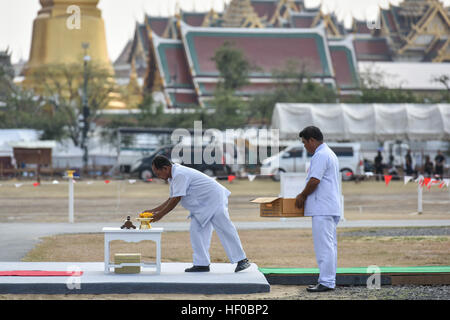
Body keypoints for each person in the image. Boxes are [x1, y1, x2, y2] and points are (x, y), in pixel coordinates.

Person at [142, 155, 250, 273]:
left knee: (225, 229)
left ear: (165, 168)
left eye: (158, 173)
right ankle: (202, 264)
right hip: (202, 206)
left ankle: (242, 260)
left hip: (214, 199)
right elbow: (171, 199)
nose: (157, 176)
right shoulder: (172, 176)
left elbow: (176, 200)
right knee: (196, 231)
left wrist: (160, 215)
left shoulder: (179, 174)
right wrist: (152, 211)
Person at [295, 126, 341, 293]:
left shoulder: (321, 155)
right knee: (329, 246)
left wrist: (302, 195)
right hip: (327, 207)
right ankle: (328, 280)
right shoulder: (328, 153)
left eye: (305, 143)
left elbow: (315, 180)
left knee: (324, 247)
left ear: (312, 140)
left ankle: (327, 282)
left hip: (323, 208)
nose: (305, 146)